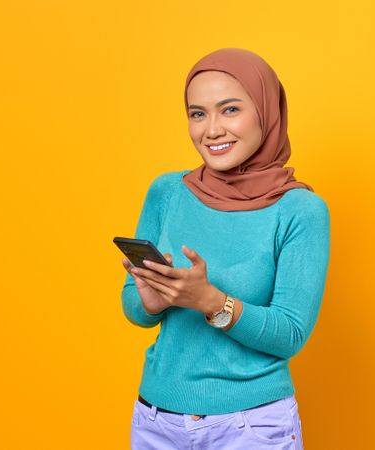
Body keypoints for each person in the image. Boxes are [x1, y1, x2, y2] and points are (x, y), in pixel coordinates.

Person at [120, 48, 330, 450]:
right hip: (156, 421)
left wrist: (210, 301)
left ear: (266, 113)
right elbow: (133, 307)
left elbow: (290, 334)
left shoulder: (301, 211)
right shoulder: (167, 192)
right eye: (197, 114)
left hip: (251, 428)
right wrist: (151, 300)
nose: (211, 130)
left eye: (230, 110)